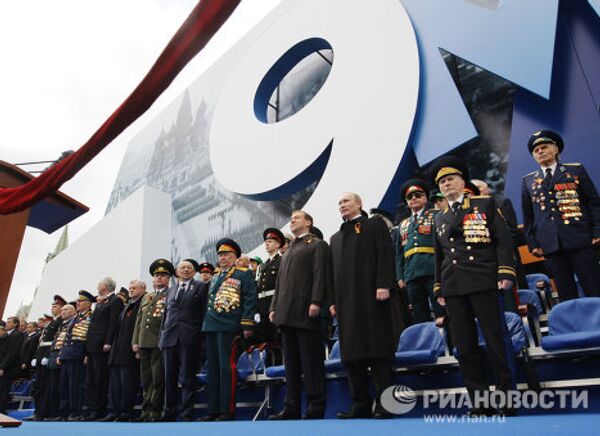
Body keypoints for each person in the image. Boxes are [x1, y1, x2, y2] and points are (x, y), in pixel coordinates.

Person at [431, 156, 515, 415]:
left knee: (495, 341)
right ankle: (479, 401)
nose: (447, 185)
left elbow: (502, 241)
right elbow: (439, 255)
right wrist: (439, 288)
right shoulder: (439, 216)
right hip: (453, 284)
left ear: (462, 181)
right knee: (464, 347)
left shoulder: (483, 203)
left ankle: (506, 399)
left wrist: (505, 272)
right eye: (442, 182)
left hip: (481, 278)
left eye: (451, 179)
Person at [329, 192, 396, 419]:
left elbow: (386, 254)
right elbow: (332, 275)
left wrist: (384, 283)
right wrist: (332, 301)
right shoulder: (335, 238)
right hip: (346, 305)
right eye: (339, 202)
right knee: (352, 355)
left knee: (378, 352)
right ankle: (360, 405)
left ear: (359, 203)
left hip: (373, 298)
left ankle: (386, 404)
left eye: (346, 201)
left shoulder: (374, 223)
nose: (342, 205)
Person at [521, 129, 600, 300]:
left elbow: (593, 202)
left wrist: (597, 231)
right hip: (551, 246)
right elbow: (528, 217)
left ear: (556, 149)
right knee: (566, 295)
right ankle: (575, 326)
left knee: (594, 287)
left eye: (544, 147)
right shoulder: (528, 181)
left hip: (580, 239)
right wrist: (532, 243)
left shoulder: (575, 170)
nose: (540, 152)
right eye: (536, 150)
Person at [268, 213, 329, 420]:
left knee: (311, 364)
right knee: (291, 366)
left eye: (297, 218)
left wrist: (317, 301)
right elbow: (279, 285)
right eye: (291, 218)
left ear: (308, 222)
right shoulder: (289, 250)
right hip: (285, 314)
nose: (292, 220)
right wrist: (274, 307)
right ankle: (291, 407)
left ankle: (315, 406)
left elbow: (321, 275)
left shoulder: (317, 245)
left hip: (305, 311)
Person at [201, 239, 257, 421]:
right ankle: (213, 410)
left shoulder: (243, 274)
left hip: (229, 325)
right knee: (214, 369)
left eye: (226, 254)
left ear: (235, 256)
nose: (222, 257)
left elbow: (249, 298)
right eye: (220, 255)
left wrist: (247, 323)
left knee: (226, 368)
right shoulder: (216, 276)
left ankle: (227, 409)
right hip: (211, 325)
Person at [159, 259, 208, 421]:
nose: (186, 270)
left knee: (188, 378)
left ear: (194, 272)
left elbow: (203, 314)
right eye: (182, 268)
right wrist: (162, 336)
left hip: (189, 338)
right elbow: (166, 315)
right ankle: (169, 412)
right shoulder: (171, 290)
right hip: (169, 339)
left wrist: (200, 337)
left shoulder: (201, 287)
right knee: (169, 379)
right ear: (177, 271)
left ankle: (186, 413)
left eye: (189, 267)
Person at [396, 179, 445, 325]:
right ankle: (427, 344)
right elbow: (399, 253)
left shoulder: (437, 215)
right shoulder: (403, 224)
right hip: (411, 273)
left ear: (425, 197)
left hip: (433, 270)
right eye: (409, 197)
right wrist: (400, 276)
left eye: (418, 195)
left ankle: (448, 344)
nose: (414, 199)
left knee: (440, 310)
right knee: (419, 314)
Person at [132, 259, 173, 422]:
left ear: (169, 278)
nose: (159, 278)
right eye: (156, 276)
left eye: (163, 275)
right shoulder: (147, 297)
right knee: (146, 379)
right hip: (144, 343)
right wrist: (135, 341)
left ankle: (155, 411)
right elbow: (139, 321)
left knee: (157, 379)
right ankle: (145, 411)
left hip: (159, 342)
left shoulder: (170, 293)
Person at [102, 280, 146, 422]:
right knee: (115, 385)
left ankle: (125, 411)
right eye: (130, 288)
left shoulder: (143, 303)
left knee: (128, 384)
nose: (131, 290)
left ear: (143, 288)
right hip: (118, 351)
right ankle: (114, 411)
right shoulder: (128, 305)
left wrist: (137, 344)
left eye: (134, 288)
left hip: (130, 350)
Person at [85, 277, 124, 420]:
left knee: (100, 379)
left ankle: (99, 410)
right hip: (92, 346)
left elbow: (113, 323)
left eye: (99, 284)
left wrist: (108, 342)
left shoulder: (115, 300)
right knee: (91, 380)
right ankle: (91, 409)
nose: (97, 286)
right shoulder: (101, 302)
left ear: (106, 286)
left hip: (103, 345)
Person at [58, 290, 94, 421]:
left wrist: (87, 354)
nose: (77, 303)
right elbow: (67, 337)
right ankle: (64, 412)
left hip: (78, 355)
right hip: (67, 354)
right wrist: (61, 354)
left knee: (75, 386)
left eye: (80, 301)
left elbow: (89, 337)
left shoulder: (91, 317)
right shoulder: (76, 318)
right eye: (77, 301)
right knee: (64, 386)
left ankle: (75, 411)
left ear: (89, 304)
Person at [33, 295, 67, 420]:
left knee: (47, 385)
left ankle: (43, 412)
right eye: (53, 306)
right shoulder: (53, 322)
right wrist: (37, 356)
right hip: (42, 355)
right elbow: (42, 342)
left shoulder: (60, 322)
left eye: (56, 306)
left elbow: (55, 341)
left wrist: (47, 356)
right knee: (39, 385)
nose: (53, 308)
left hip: (49, 355)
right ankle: (38, 411)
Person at [255, 228, 285, 361]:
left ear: (278, 244)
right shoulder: (262, 266)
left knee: (277, 336)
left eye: (271, 241)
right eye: (266, 242)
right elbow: (258, 287)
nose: (267, 244)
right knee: (265, 338)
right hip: (262, 305)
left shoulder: (282, 260)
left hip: (275, 302)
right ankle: (269, 365)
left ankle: (280, 363)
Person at [0, 317, 24, 413]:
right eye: (7, 322)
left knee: (3, 389)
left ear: (15, 324)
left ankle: (1, 410)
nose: (7, 324)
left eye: (10, 322)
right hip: (2, 365)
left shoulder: (17, 335)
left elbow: (12, 353)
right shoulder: (6, 334)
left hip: (8, 368)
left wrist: (2, 367)